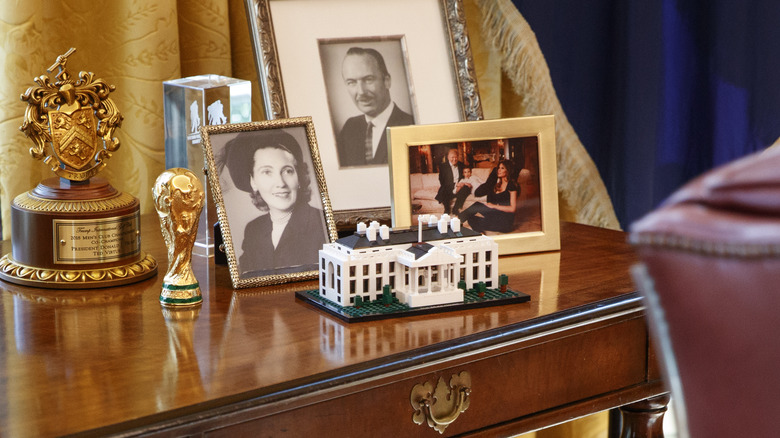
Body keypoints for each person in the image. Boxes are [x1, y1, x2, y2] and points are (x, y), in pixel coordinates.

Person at [224, 130, 327, 275]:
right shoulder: (253, 230)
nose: (280, 183)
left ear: (299, 178)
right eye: (267, 172)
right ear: (253, 181)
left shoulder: (322, 224)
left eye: (287, 171)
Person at [336, 47, 415, 167]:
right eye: (351, 82)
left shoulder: (411, 125)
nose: (361, 91)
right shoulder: (349, 128)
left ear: (387, 81)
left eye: (368, 80)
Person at [458, 159, 519, 233]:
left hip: (506, 223)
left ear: (508, 170)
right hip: (497, 218)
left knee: (477, 205)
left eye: (502, 168)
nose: (499, 170)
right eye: (498, 168)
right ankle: (480, 233)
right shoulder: (497, 185)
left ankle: (456, 220)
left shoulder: (512, 186)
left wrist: (493, 206)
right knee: (471, 218)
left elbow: (513, 209)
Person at [435, 148, 465, 215]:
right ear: (448, 157)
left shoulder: (461, 165)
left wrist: (461, 184)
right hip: (449, 186)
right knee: (444, 189)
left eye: (456, 157)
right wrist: (454, 185)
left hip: (459, 186)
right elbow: (442, 180)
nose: (454, 159)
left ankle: (455, 209)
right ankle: (447, 209)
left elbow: (464, 176)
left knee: (466, 189)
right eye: (452, 157)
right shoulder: (443, 166)